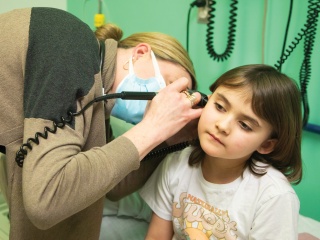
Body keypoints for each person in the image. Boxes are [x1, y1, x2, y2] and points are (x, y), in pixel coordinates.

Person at [0, 7, 202, 239]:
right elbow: (46, 199)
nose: (165, 101)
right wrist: (154, 127)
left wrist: (167, 138)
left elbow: (113, 185)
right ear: (141, 53)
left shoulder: (97, 100)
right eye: (169, 83)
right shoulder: (69, 46)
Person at [140, 64, 303, 239]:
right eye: (219, 107)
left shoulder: (275, 197)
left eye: (245, 125)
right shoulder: (177, 162)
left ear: (266, 145)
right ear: (205, 100)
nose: (223, 126)